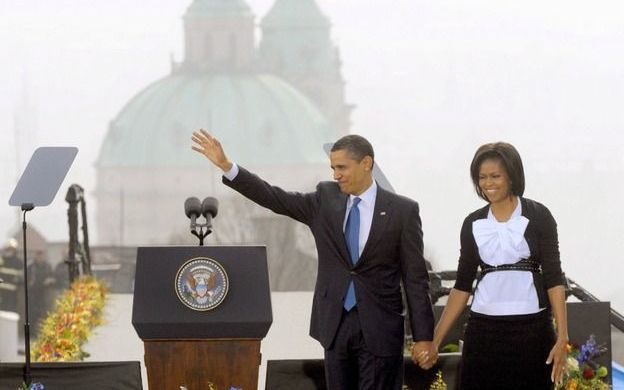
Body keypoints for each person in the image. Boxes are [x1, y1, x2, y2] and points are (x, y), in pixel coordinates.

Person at [192, 129, 435, 389]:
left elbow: (415, 278)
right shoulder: (325, 199)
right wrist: (229, 168)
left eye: (342, 167)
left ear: (367, 164)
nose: (336, 174)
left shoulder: (403, 211)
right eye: (333, 167)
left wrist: (424, 337)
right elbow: (275, 198)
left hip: (381, 327)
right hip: (336, 325)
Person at [426, 142, 568, 389]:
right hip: (483, 333)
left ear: (512, 176)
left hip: (533, 331)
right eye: (482, 177)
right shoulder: (472, 223)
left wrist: (562, 337)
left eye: (495, 176)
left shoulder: (539, 216)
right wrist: (434, 342)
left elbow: (554, 279)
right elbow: (461, 287)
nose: (487, 183)